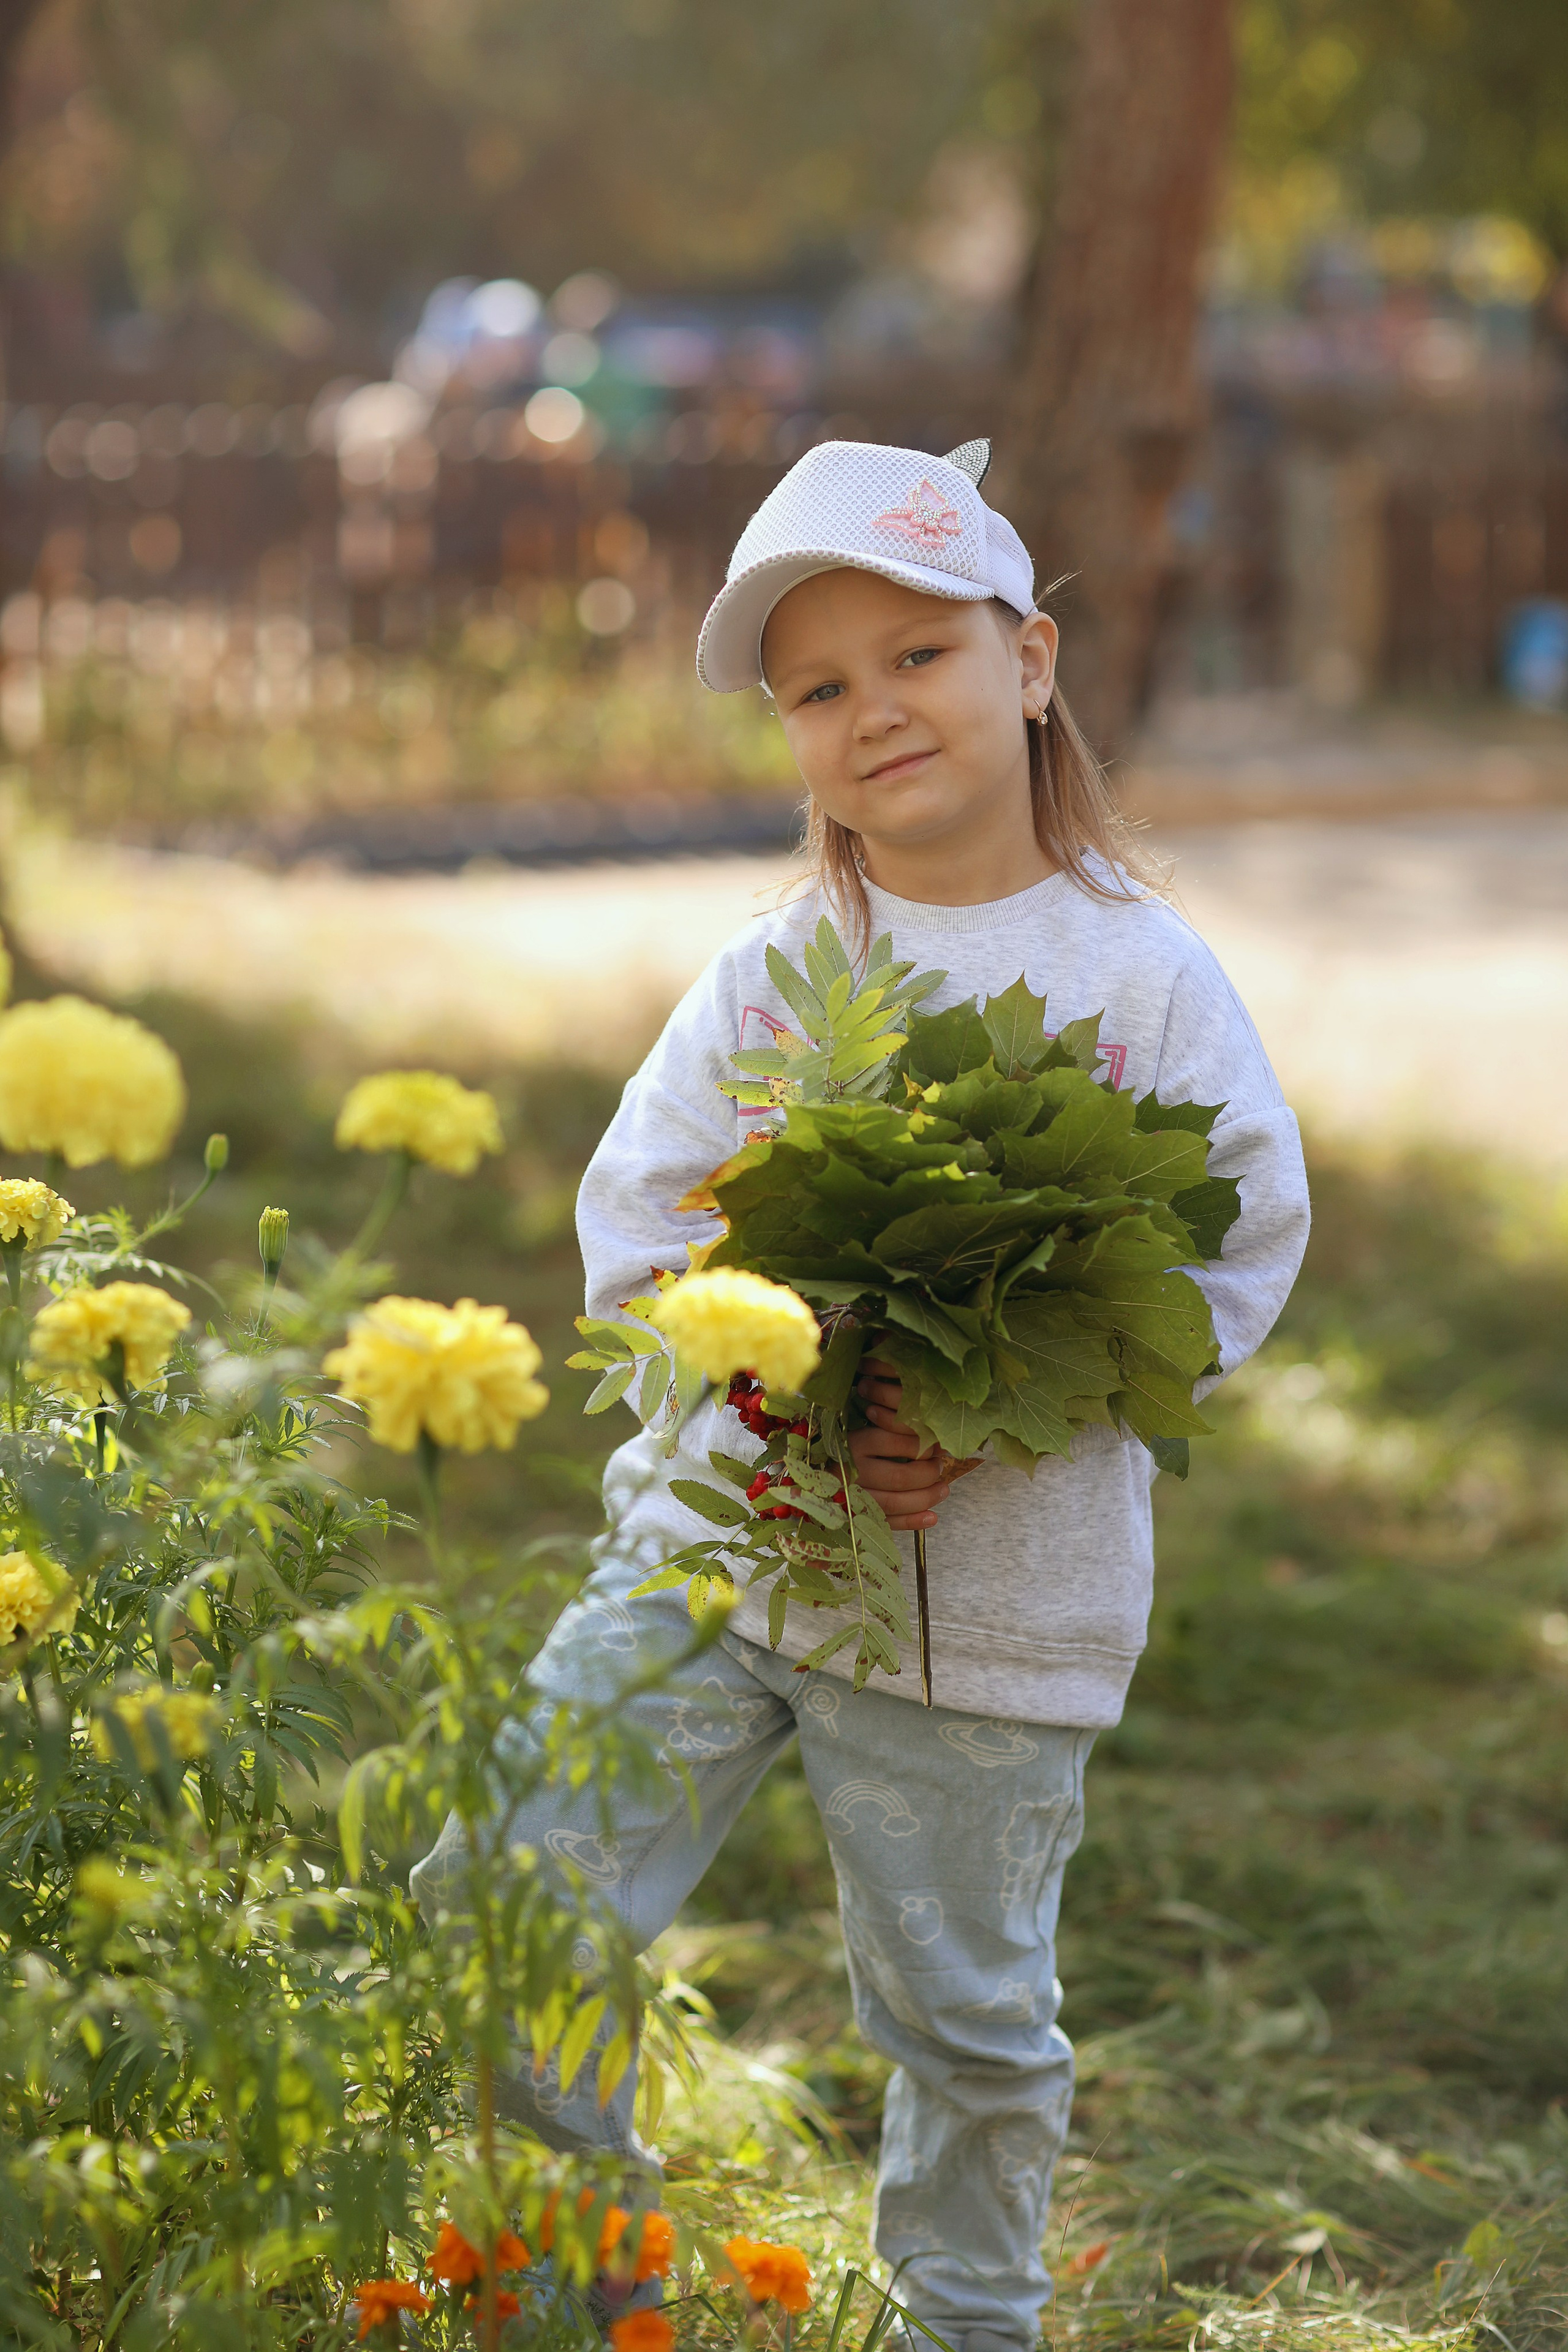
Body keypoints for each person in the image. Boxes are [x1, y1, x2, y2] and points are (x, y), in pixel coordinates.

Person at [412, 438, 1310, 2351]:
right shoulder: (778, 975)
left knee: (964, 2026)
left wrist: (998, 1413)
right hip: (714, 1557)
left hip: (978, 1625)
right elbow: (638, 1232)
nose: (871, 709)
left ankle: (962, 2323)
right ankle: (578, 2284)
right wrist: (774, 1390)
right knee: (503, 1891)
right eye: (819, 688)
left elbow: (1235, 1252)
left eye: (916, 653)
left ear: (1034, 661)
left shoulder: (1145, 984)